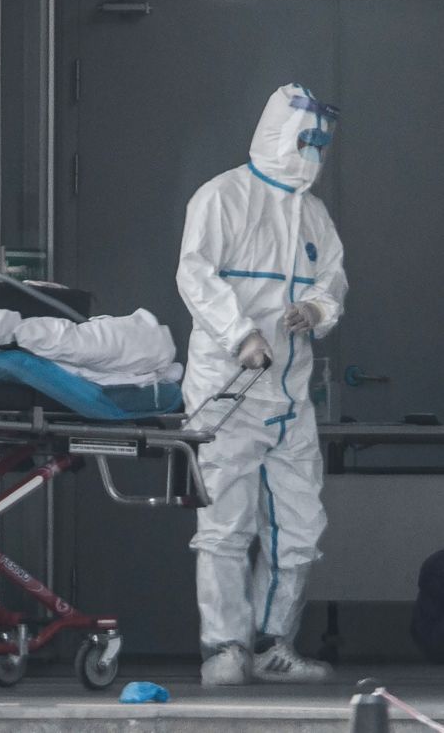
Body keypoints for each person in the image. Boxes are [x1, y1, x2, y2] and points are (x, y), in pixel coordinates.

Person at [176, 84, 348, 686]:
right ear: (280, 133)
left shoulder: (314, 215)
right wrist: (241, 333)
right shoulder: (223, 197)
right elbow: (195, 275)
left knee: (300, 527)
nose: (315, 151)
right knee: (226, 523)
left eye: (322, 142)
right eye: (307, 138)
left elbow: (332, 281)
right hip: (228, 390)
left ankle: (274, 645)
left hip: (290, 395)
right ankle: (224, 648)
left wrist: (317, 312)